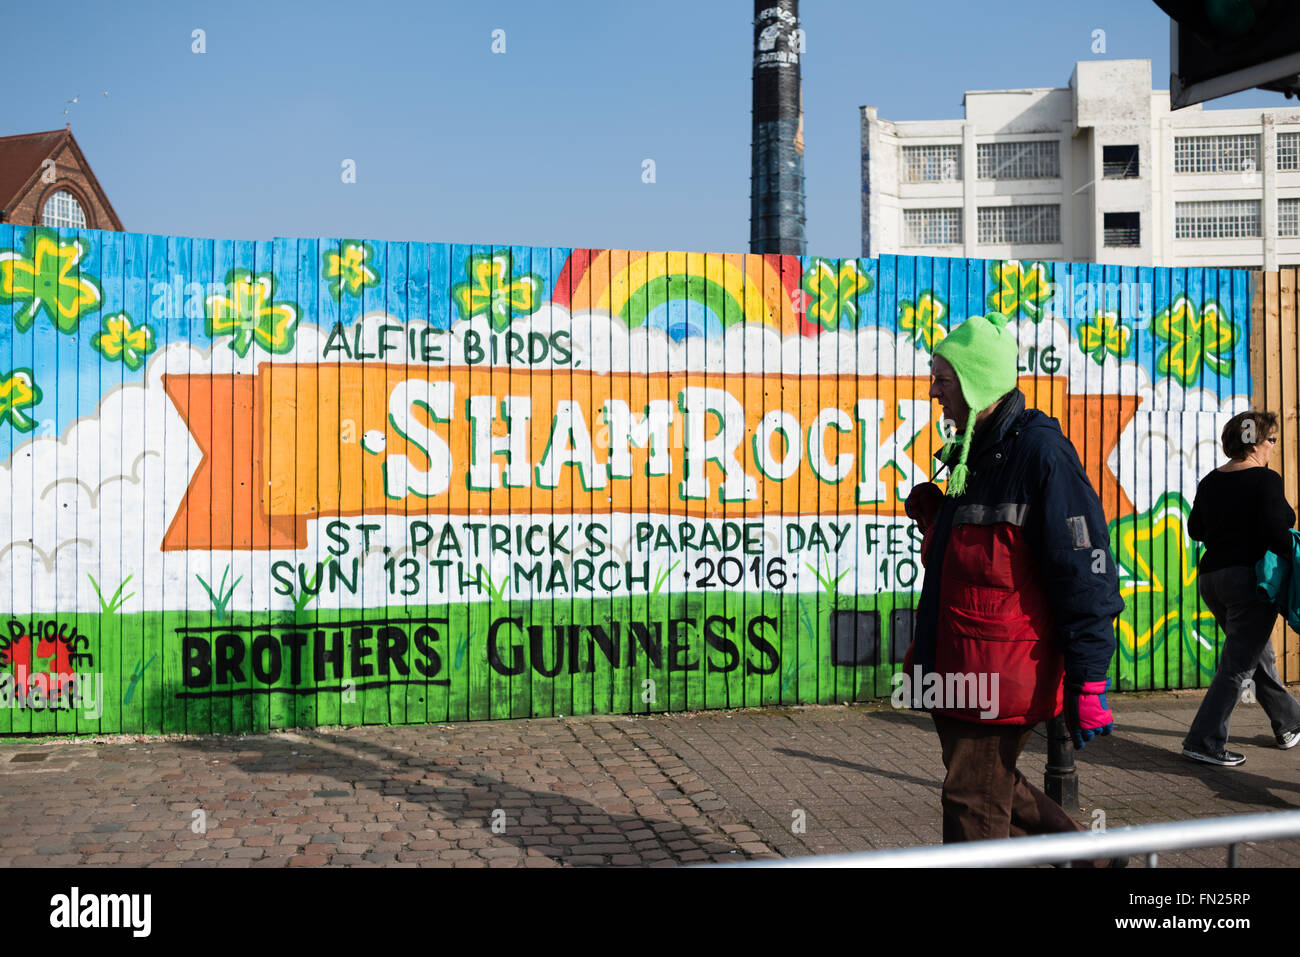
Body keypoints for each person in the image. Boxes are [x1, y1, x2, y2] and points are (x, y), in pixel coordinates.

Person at [902, 312, 1123, 845]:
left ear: (978, 382)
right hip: (957, 663)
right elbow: (980, 561)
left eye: (944, 379)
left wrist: (1089, 677)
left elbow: (1085, 566)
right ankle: (1100, 860)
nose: (933, 392)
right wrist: (937, 517)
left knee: (972, 801)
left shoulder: (1040, 454)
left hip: (1001, 673)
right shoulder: (973, 450)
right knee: (993, 786)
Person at [1182, 410, 1300, 766]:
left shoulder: (1210, 481)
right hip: (1250, 580)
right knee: (1237, 667)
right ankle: (1203, 740)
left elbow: (1195, 530)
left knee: (1255, 655)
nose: (1273, 448)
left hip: (1212, 580)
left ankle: (1290, 722)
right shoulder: (1266, 480)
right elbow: (1277, 532)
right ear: (1255, 442)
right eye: (1272, 440)